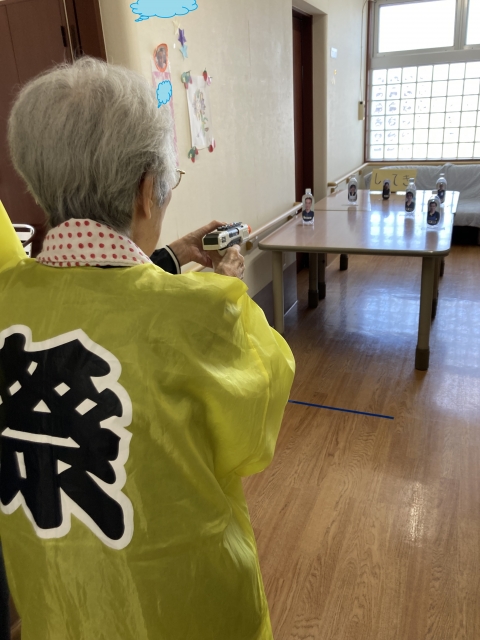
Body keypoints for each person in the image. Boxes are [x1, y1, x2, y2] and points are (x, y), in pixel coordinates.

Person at [0, 58, 295, 640]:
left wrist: (170, 258)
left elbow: (95, 300)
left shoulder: (7, 296)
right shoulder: (201, 314)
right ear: (145, 191)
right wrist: (227, 294)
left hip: (56, 602)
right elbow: (251, 435)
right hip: (181, 610)